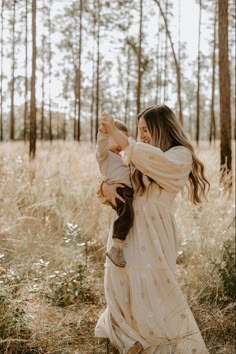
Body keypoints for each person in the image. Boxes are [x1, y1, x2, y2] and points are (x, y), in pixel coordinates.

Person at [95, 105, 210, 354]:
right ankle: (130, 342)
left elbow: (151, 161)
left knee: (156, 290)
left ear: (161, 127)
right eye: (139, 130)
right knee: (121, 289)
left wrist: (118, 132)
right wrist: (103, 187)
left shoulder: (179, 156)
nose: (142, 135)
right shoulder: (137, 154)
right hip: (126, 236)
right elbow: (120, 176)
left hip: (154, 235)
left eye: (146, 129)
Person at [96, 119, 134, 268]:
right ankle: (116, 247)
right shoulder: (105, 156)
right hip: (119, 190)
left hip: (126, 190)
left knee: (128, 215)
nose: (120, 144)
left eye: (122, 139)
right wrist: (104, 132)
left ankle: (118, 247)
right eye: (116, 138)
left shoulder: (122, 158)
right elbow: (100, 146)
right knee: (127, 215)